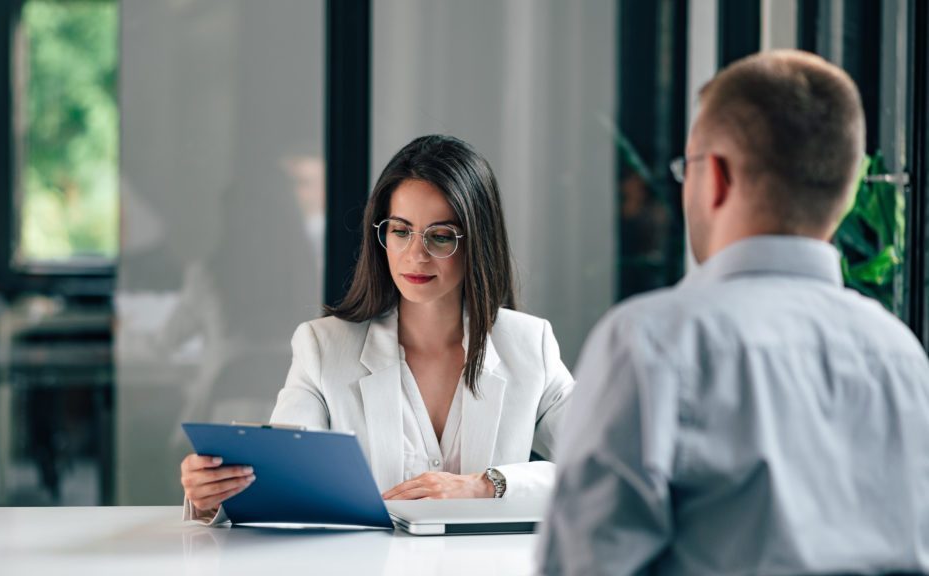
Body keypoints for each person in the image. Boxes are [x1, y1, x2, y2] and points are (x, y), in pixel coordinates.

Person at [539, 50, 929, 575]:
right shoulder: (902, 357)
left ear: (716, 177)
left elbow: (584, 565)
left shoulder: (651, 343)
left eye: (687, 167)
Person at [181, 134, 574, 524]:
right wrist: (213, 497)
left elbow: (603, 465)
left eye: (440, 236)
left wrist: (486, 486)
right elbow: (286, 484)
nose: (415, 255)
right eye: (401, 231)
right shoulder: (322, 348)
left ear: (477, 242)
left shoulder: (529, 344)